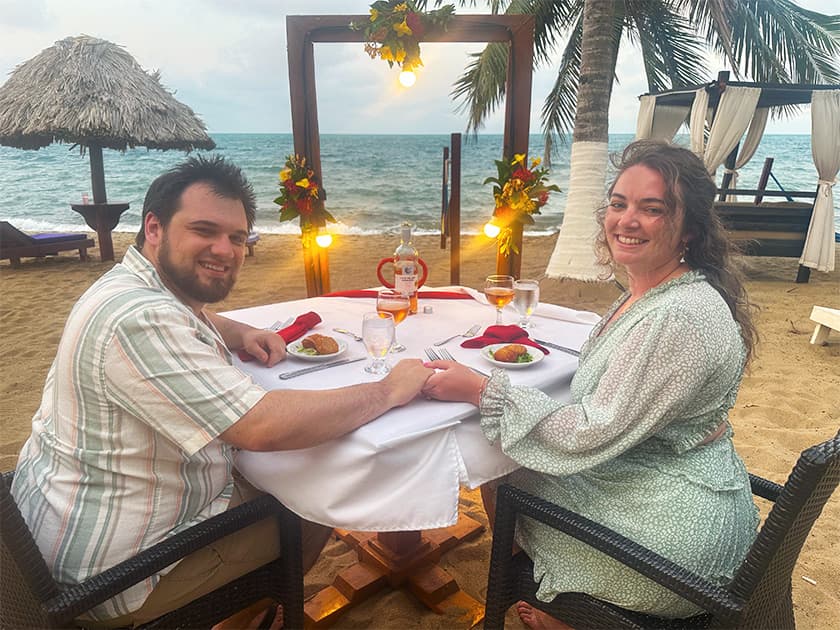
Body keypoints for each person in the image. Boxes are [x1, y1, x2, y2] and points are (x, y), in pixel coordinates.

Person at [10, 155, 433, 627]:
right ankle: (245, 617)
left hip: (60, 523)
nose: (225, 250)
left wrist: (238, 332)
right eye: (204, 231)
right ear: (154, 228)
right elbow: (261, 426)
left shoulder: (129, 285)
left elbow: (188, 313)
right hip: (115, 575)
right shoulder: (140, 319)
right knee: (313, 497)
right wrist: (388, 390)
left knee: (292, 470)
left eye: (236, 237)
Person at [423, 140, 760, 628]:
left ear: (689, 228)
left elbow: (591, 430)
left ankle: (560, 607)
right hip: (679, 491)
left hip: (676, 550)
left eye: (652, 209)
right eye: (619, 204)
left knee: (504, 468)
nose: (626, 220)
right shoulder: (659, 291)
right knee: (517, 450)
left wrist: (480, 390)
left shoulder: (677, 316)